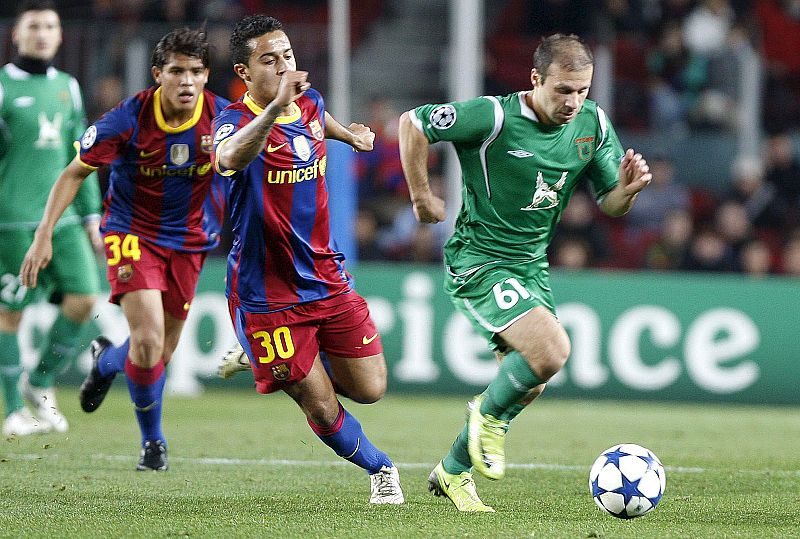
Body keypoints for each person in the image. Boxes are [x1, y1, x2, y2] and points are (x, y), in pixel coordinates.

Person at [398, 33, 652, 512]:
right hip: (479, 259)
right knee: (552, 349)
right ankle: (486, 420)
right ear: (535, 79)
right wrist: (420, 194)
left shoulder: (592, 124)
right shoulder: (493, 116)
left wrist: (629, 190)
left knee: (530, 380)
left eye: (582, 90)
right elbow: (412, 123)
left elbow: (609, 203)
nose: (573, 101)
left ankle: (452, 471)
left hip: (530, 265)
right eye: (563, 90)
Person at [211, 15, 403, 504]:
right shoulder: (233, 121)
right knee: (318, 405)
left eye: (287, 56)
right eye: (268, 60)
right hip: (267, 292)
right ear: (244, 70)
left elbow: (318, 120)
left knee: (371, 388)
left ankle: (267, 357)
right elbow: (229, 158)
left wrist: (349, 137)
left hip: (325, 275)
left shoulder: (311, 103)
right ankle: (381, 470)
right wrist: (274, 107)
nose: (282, 67)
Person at [20, 27, 230, 471]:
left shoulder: (224, 120)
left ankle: (107, 360)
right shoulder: (127, 118)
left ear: (207, 75)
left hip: (190, 241)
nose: (186, 81)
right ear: (158, 74)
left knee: (158, 352)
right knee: (150, 339)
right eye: (176, 71)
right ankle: (153, 444)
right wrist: (43, 235)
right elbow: (73, 172)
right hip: (132, 234)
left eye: (195, 71)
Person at [0, 0, 102, 437]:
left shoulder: (70, 87)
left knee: (85, 298)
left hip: (62, 220)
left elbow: (82, 155)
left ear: (60, 36)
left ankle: (38, 381)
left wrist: (92, 214)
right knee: (10, 313)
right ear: (17, 35)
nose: (42, 33)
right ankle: (11, 412)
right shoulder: (3, 86)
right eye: (34, 26)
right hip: (13, 220)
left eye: (50, 26)